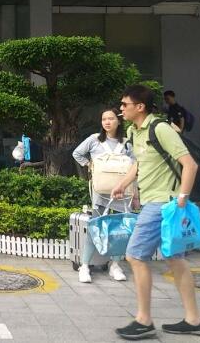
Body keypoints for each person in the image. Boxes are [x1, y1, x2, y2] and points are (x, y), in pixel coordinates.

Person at [111, 85, 200, 339]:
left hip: (163, 203)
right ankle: (194, 320)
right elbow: (139, 163)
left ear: (140, 107)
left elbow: (190, 165)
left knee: (135, 256)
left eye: (125, 104)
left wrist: (182, 199)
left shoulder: (160, 128)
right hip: (155, 202)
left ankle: (144, 320)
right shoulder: (134, 131)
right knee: (175, 259)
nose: (121, 109)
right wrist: (123, 183)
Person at [72, 109, 133, 284]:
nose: (107, 122)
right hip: (100, 192)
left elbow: (135, 166)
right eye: (104, 119)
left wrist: (135, 194)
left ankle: (115, 265)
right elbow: (77, 153)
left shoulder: (127, 144)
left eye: (111, 118)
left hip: (122, 192)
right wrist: (89, 165)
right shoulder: (94, 140)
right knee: (95, 227)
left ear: (118, 121)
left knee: (119, 231)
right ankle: (85, 266)